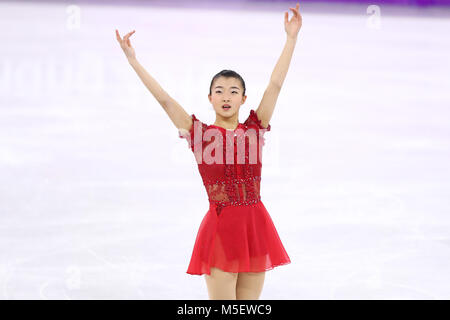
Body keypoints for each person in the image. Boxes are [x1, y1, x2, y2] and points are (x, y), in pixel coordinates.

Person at [116, 2, 302, 300]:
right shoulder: (200, 135)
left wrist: (291, 39)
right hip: (222, 231)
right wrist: (133, 61)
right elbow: (164, 100)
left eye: (233, 91)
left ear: (243, 98)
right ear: (210, 98)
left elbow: (275, 85)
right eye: (219, 91)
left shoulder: (255, 128)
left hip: (255, 226)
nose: (226, 97)